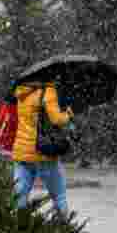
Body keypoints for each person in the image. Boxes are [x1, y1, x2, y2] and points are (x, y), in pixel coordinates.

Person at [11, 80, 74, 216]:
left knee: (20, 196)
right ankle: (64, 226)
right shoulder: (48, 91)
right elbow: (56, 120)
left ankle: (18, 224)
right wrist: (68, 114)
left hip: (21, 151)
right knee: (59, 195)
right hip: (43, 151)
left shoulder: (21, 91)